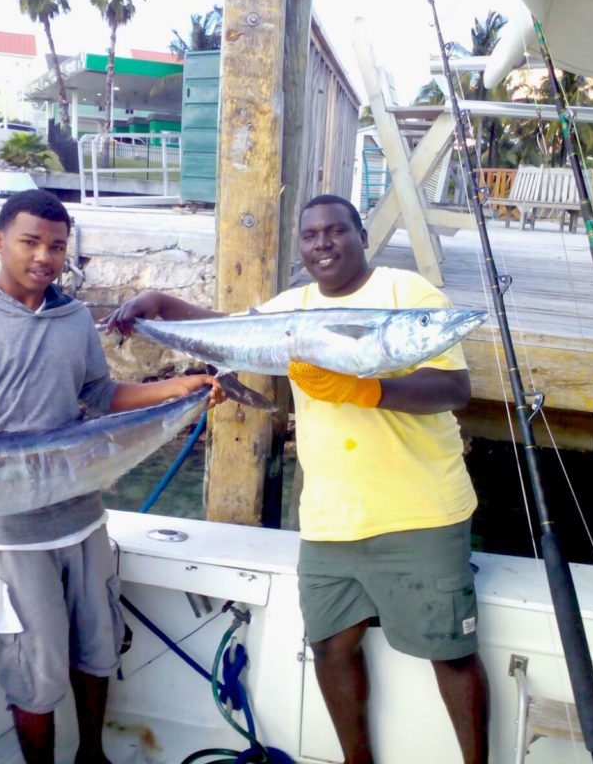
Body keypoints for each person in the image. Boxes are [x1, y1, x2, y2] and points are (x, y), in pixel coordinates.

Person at [106, 194, 490, 764]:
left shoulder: (408, 296)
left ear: (362, 236)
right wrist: (159, 304)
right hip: (331, 518)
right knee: (331, 648)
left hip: (422, 511)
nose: (323, 243)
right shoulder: (295, 305)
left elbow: (453, 391)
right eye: (311, 236)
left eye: (337, 231)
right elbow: (231, 333)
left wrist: (368, 389)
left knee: (450, 652)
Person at [0, 189, 225, 764]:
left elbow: (98, 394)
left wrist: (175, 388)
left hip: (81, 514)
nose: (43, 256)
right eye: (29, 242)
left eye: (56, 246)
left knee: (98, 647)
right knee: (38, 668)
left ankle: (93, 757)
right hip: (10, 529)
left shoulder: (73, 318)